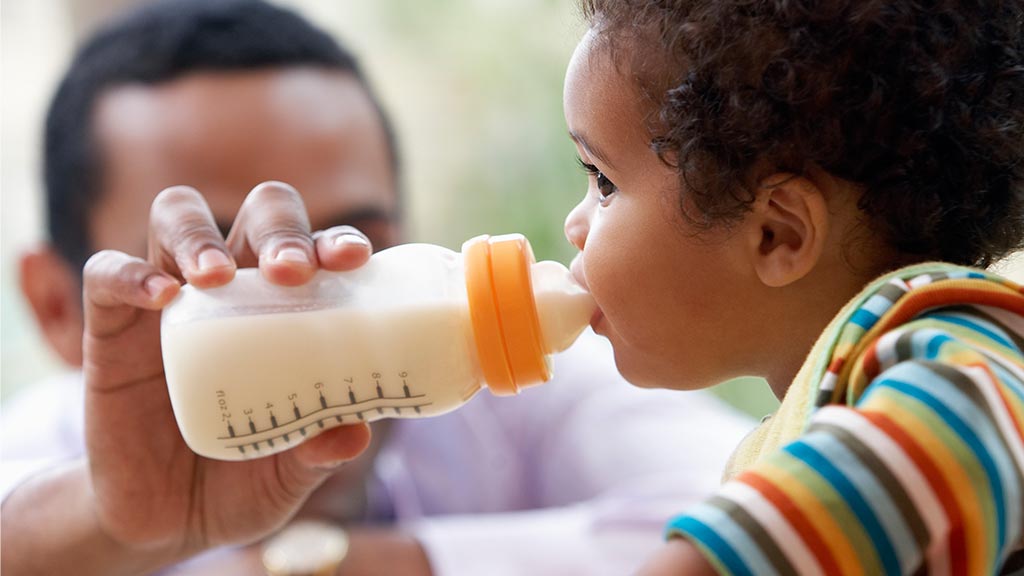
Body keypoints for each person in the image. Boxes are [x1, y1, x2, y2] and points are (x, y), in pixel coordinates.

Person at [0, 1, 754, 574]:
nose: (307, 290)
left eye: (361, 245)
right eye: (228, 277)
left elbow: (769, 511)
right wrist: (107, 520)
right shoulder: (36, 465)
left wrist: (347, 562)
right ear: (58, 307)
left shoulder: (495, 377)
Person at [558, 1, 1024, 574]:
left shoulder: (951, 331)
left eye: (603, 181)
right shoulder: (805, 424)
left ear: (778, 233)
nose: (572, 226)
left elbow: (968, 416)